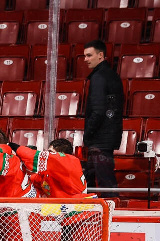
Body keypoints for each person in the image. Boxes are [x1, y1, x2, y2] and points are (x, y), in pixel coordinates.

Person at [83, 39, 124, 197]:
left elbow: (98, 111)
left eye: (89, 55)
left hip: (100, 138)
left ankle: (113, 214)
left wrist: (88, 134)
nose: (85, 59)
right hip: (107, 136)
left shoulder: (99, 77)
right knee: (91, 178)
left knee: (105, 180)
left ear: (100, 55)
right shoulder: (111, 75)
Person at [9, 138, 89, 198]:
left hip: (78, 209)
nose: (47, 154)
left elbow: (30, 155)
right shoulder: (50, 172)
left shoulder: (69, 161)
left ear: (60, 154)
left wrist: (12, 146)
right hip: (68, 208)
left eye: (50, 152)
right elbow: (34, 180)